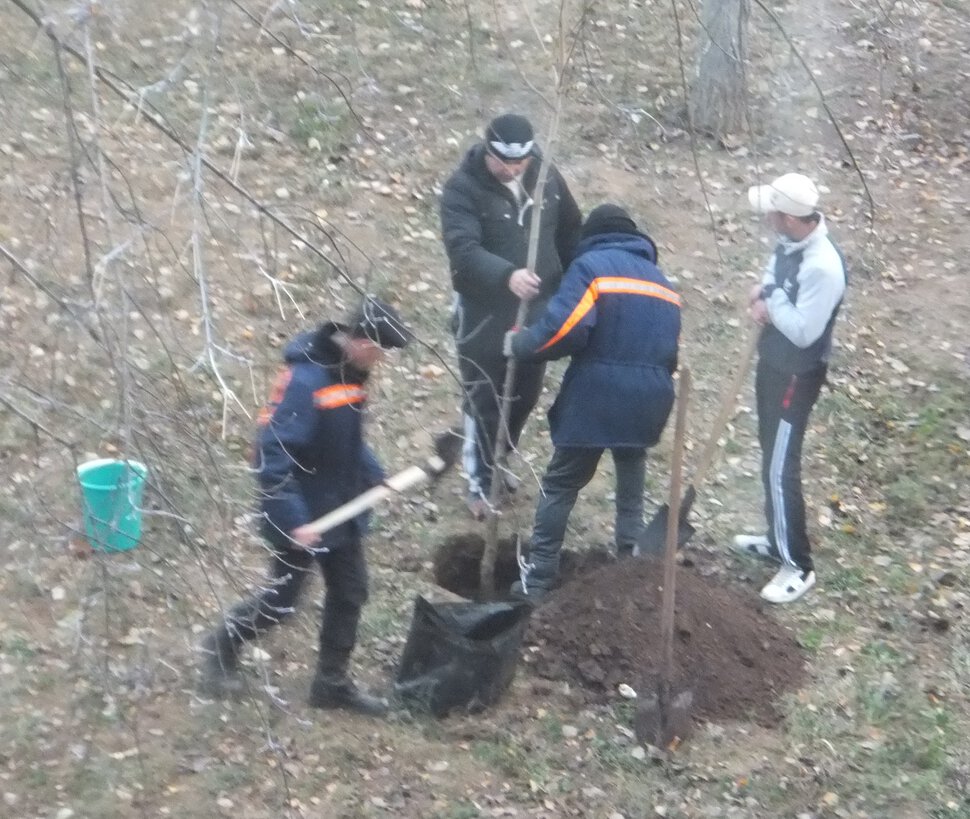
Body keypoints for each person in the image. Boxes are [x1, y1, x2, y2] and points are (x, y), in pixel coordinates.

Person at [199, 296, 412, 715]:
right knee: (282, 602)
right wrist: (293, 521)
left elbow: (345, 440)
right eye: (381, 350)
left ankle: (331, 685)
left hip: (340, 508)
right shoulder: (306, 381)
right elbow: (271, 454)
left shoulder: (348, 375)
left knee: (350, 591)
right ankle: (221, 646)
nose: (383, 360)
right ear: (360, 340)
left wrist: (372, 472)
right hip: (300, 512)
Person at [503, 204, 682, 603]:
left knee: (562, 483)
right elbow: (670, 353)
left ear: (593, 236)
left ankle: (538, 579)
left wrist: (520, 344)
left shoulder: (592, 269)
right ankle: (628, 568)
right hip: (652, 395)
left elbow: (564, 331)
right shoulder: (664, 285)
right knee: (631, 477)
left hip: (598, 395)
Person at [440, 112, 583, 520]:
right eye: (504, 163)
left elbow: (571, 230)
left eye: (519, 164)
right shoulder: (461, 190)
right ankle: (479, 483)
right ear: (488, 151)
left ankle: (501, 460)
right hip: (483, 313)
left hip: (538, 310)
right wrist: (507, 276)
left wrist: (576, 279)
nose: (512, 170)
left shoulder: (546, 178)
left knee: (523, 396)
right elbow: (463, 252)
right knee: (485, 397)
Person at [733, 173, 847, 604]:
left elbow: (803, 331)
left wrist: (771, 301)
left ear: (790, 218)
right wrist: (765, 289)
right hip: (773, 365)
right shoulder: (790, 241)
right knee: (769, 453)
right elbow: (772, 271)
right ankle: (774, 536)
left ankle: (798, 565)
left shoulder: (823, 267)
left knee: (782, 466)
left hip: (796, 375)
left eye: (772, 215)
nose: (767, 221)